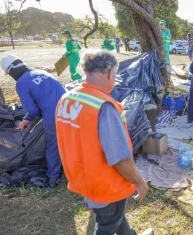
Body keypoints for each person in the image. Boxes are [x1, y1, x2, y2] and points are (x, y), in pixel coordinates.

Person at [55, 50, 153, 235]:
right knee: (107, 223)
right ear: (109, 72)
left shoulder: (66, 99)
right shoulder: (104, 106)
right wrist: (139, 182)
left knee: (115, 215)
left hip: (83, 177)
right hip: (105, 182)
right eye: (115, 75)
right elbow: (121, 158)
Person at [1, 55, 66, 188]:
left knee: (52, 147)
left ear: (11, 71)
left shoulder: (21, 83)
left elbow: (32, 110)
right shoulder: (41, 72)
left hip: (53, 115)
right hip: (69, 109)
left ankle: (53, 178)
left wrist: (30, 118)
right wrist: (27, 119)